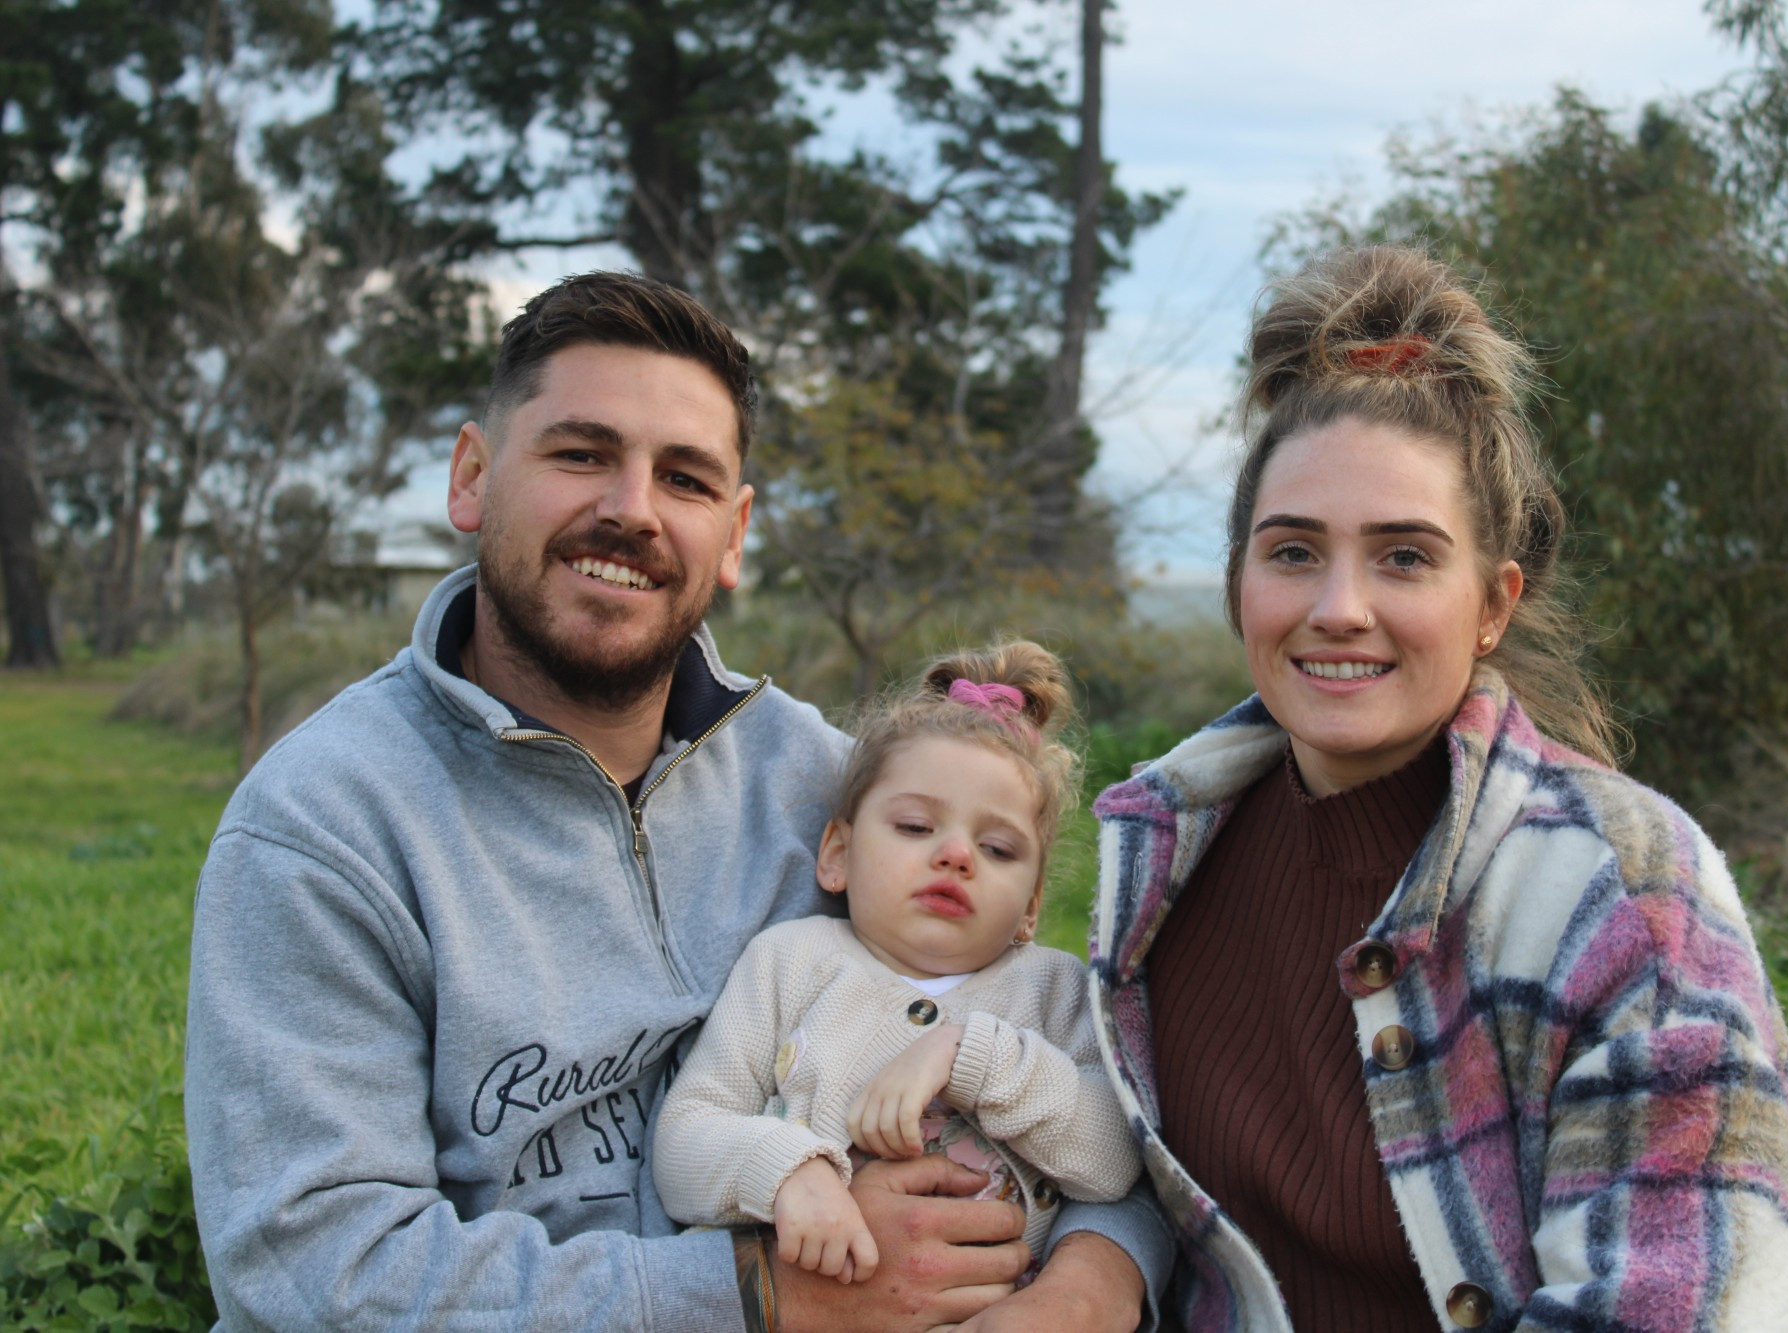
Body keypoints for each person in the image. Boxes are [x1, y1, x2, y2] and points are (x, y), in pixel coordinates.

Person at [183, 271, 1168, 1331]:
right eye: (580, 454)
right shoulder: (325, 828)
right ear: (472, 478)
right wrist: (756, 1295)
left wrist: (1092, 1282)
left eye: (686, 479)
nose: (630, 510)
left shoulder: (821, 780)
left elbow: (1099, 1103)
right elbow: (312, 1271)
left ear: (735, 535)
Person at [1087, 246, 1788, 1332]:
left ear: (1491, 603)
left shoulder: (1627, 897)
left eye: (1402, 557)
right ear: (1237, 582)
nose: (1339, 607)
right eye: (1293, 551)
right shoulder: (1163, 857)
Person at [654, 641, 1141, 1289]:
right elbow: (685, 1135)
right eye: (915, 826)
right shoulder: (790, 961)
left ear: (1031, 905)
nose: (957, 853)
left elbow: (1115, 1160)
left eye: (997, 848)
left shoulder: (1053, 989)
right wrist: (788, 1171)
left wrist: (969, 1053)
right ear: (837, 852)